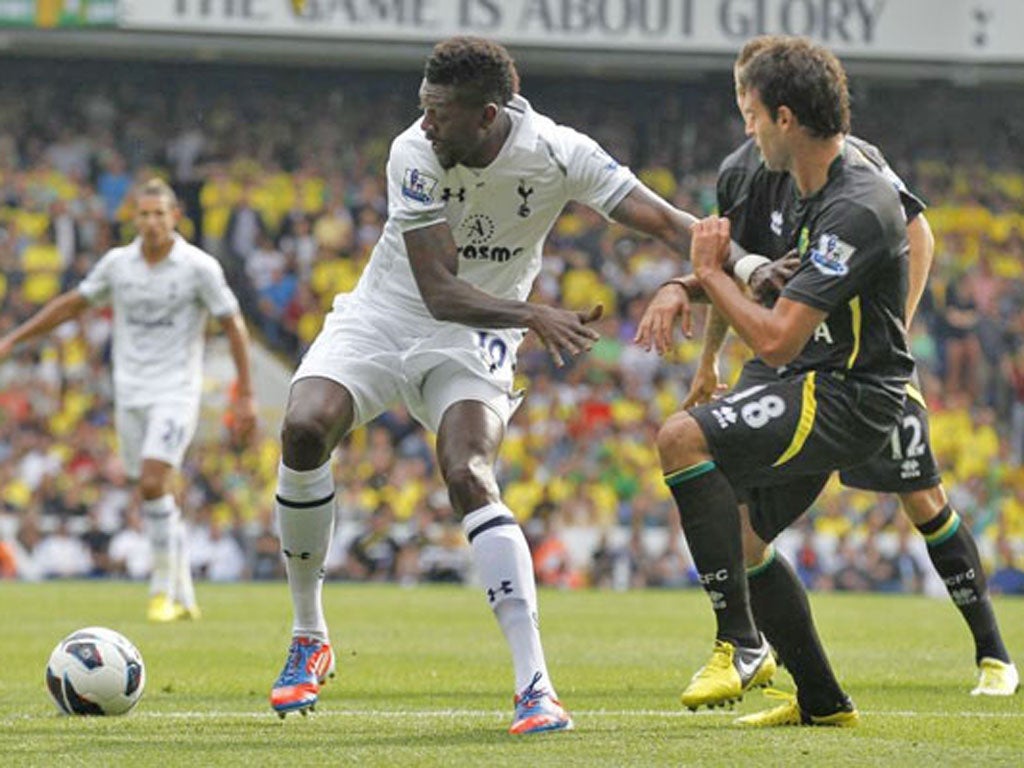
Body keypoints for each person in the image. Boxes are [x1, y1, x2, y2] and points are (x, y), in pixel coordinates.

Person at [268, 36, 705, 732]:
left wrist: (743, 269)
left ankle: (535, 686)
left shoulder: (561, 152)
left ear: (488, 114)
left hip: (475, 340)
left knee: (469, 472)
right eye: (424, 107)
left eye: (440, 113)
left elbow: (667, 222)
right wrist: (533, 312)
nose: (426, 123)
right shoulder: (412, 151)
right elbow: (440, 290)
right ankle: (308, 637)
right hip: (385, 317)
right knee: (302, 427)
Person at [642, 35, 1018, 703]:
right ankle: (815, 695)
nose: (742, 118)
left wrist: (892, 327)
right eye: (740, 101)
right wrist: (696, 308)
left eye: (750, 106)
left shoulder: (856, 188)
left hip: (855, 379)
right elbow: (747, 272)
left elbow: (909, 237)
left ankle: (992, 654)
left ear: (783, 113)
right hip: (802, 373)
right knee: (744, 532)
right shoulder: (753, 173)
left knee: (922, 499)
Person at [0, 178, 256, 622]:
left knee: (154, 482)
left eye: (160, 213)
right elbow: (70, 305)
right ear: (133, 219)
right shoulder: (118, 265)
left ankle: (160, 591)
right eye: (144, 214)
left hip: (176, 390)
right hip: (130, 392)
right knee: (151, 490)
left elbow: (233, 325)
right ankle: (184, 592)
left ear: (175, 217)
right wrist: (14, 340)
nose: (152, 222)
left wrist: (246, 393)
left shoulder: (198, 267)